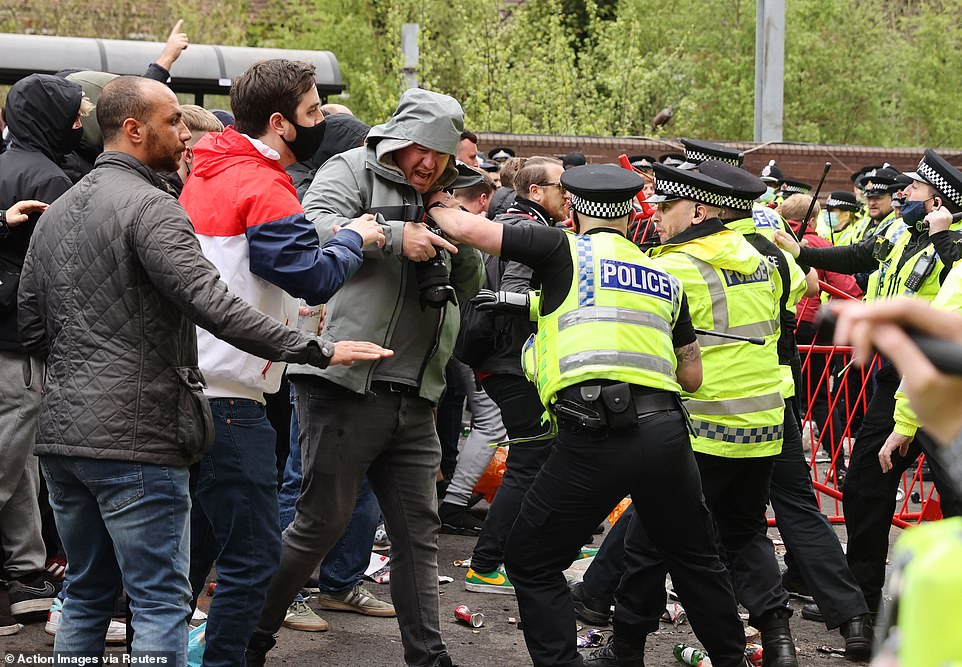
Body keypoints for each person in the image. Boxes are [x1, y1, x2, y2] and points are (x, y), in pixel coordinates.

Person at [16, 75, 390, 663]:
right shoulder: (153, 207)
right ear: (134, 129)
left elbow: (32, 324)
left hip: (64, 431)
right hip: (138, 432)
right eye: (171, 122)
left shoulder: (61, 207)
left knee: (89, 593)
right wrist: (317, 350)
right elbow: (214, 307)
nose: (184, 133)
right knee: (162, 600)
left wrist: (86, 362)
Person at [427, 163, 749, 667]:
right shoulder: (663, 273)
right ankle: (733, 659)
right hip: (667, 435)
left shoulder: (561, 250)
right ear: (629, 214)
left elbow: (468, 228)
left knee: (532, 560)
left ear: (574, 210)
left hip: (593, 432)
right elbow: (692, 377)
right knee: (697, 563)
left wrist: (431, 196)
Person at [247, 88, 482, 667]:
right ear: (398, 139)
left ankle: (429, 657)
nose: (428, 162)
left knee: (417, 537)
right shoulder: (349, 168)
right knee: (318, 524)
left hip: (415, 393)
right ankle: (248, 638)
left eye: (442, 154)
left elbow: (470, 288)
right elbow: (312, 230)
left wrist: (463, 235)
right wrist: (400, 237)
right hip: (345, 382)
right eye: (420, 149)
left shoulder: (443, 196)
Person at [178, 59, 388, 667]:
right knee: (250, 558)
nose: (320, 121)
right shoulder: (260, 183)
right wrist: (355, 237)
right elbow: (309, 276)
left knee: (192, 550)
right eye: (314, 112)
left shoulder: (209, 168)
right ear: (280, 122)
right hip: (231, 391)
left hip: (195, 380)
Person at [773, 148, 962, 618]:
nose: (904, 194)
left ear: (938, 201)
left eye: (915, 189)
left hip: (939, 381)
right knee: (864, 484)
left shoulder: (954, 244)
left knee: (955, 493)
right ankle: (862, 598)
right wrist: (802, 251)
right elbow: (861, 253)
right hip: (894, 376)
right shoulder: (903, 230)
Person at [645, 163, 799, 666]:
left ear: (699, 211)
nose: (657, 214)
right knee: (746, 531)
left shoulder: (676, 266)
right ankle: (778, 639)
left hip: (704, 424)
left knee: (654, 540)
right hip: (762, 421)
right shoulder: (762, 258)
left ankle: (626, 642)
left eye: (667, 207)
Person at [0, 72, 89, 624]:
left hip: (9, 344)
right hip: (22, 350)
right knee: (10, 463)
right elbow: (69, 275)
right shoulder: (50, 180)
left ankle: (27, 570)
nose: (81, 123)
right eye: (75, 114)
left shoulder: (8, 165)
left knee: (22, 465)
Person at [462, 156, 570, 594]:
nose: (570, 196)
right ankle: (486, 565)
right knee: (531, 457)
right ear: (537, 191)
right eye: (563, 187)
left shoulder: (506, 222)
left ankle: (533, 549)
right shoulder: (529, 230)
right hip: (511, 360)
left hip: (499, 358)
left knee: (541, 454)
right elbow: (515, 293)